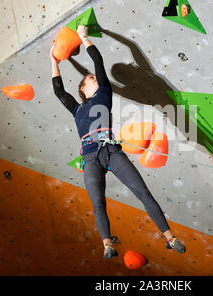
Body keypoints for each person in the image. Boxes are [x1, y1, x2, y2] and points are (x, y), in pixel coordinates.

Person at [50, 25, 186, 260]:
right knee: (98, 202)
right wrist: (54, 61)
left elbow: (98, 62)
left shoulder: (103, 93)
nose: (95, 78)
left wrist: (84, 38)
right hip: (91, 159)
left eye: (93, 78)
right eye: (90, 79)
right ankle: (107, 244)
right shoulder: (77, 109)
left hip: (111, 151)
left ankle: (170, 238)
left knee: (142, 192)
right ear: (83, 89)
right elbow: (59, 92)